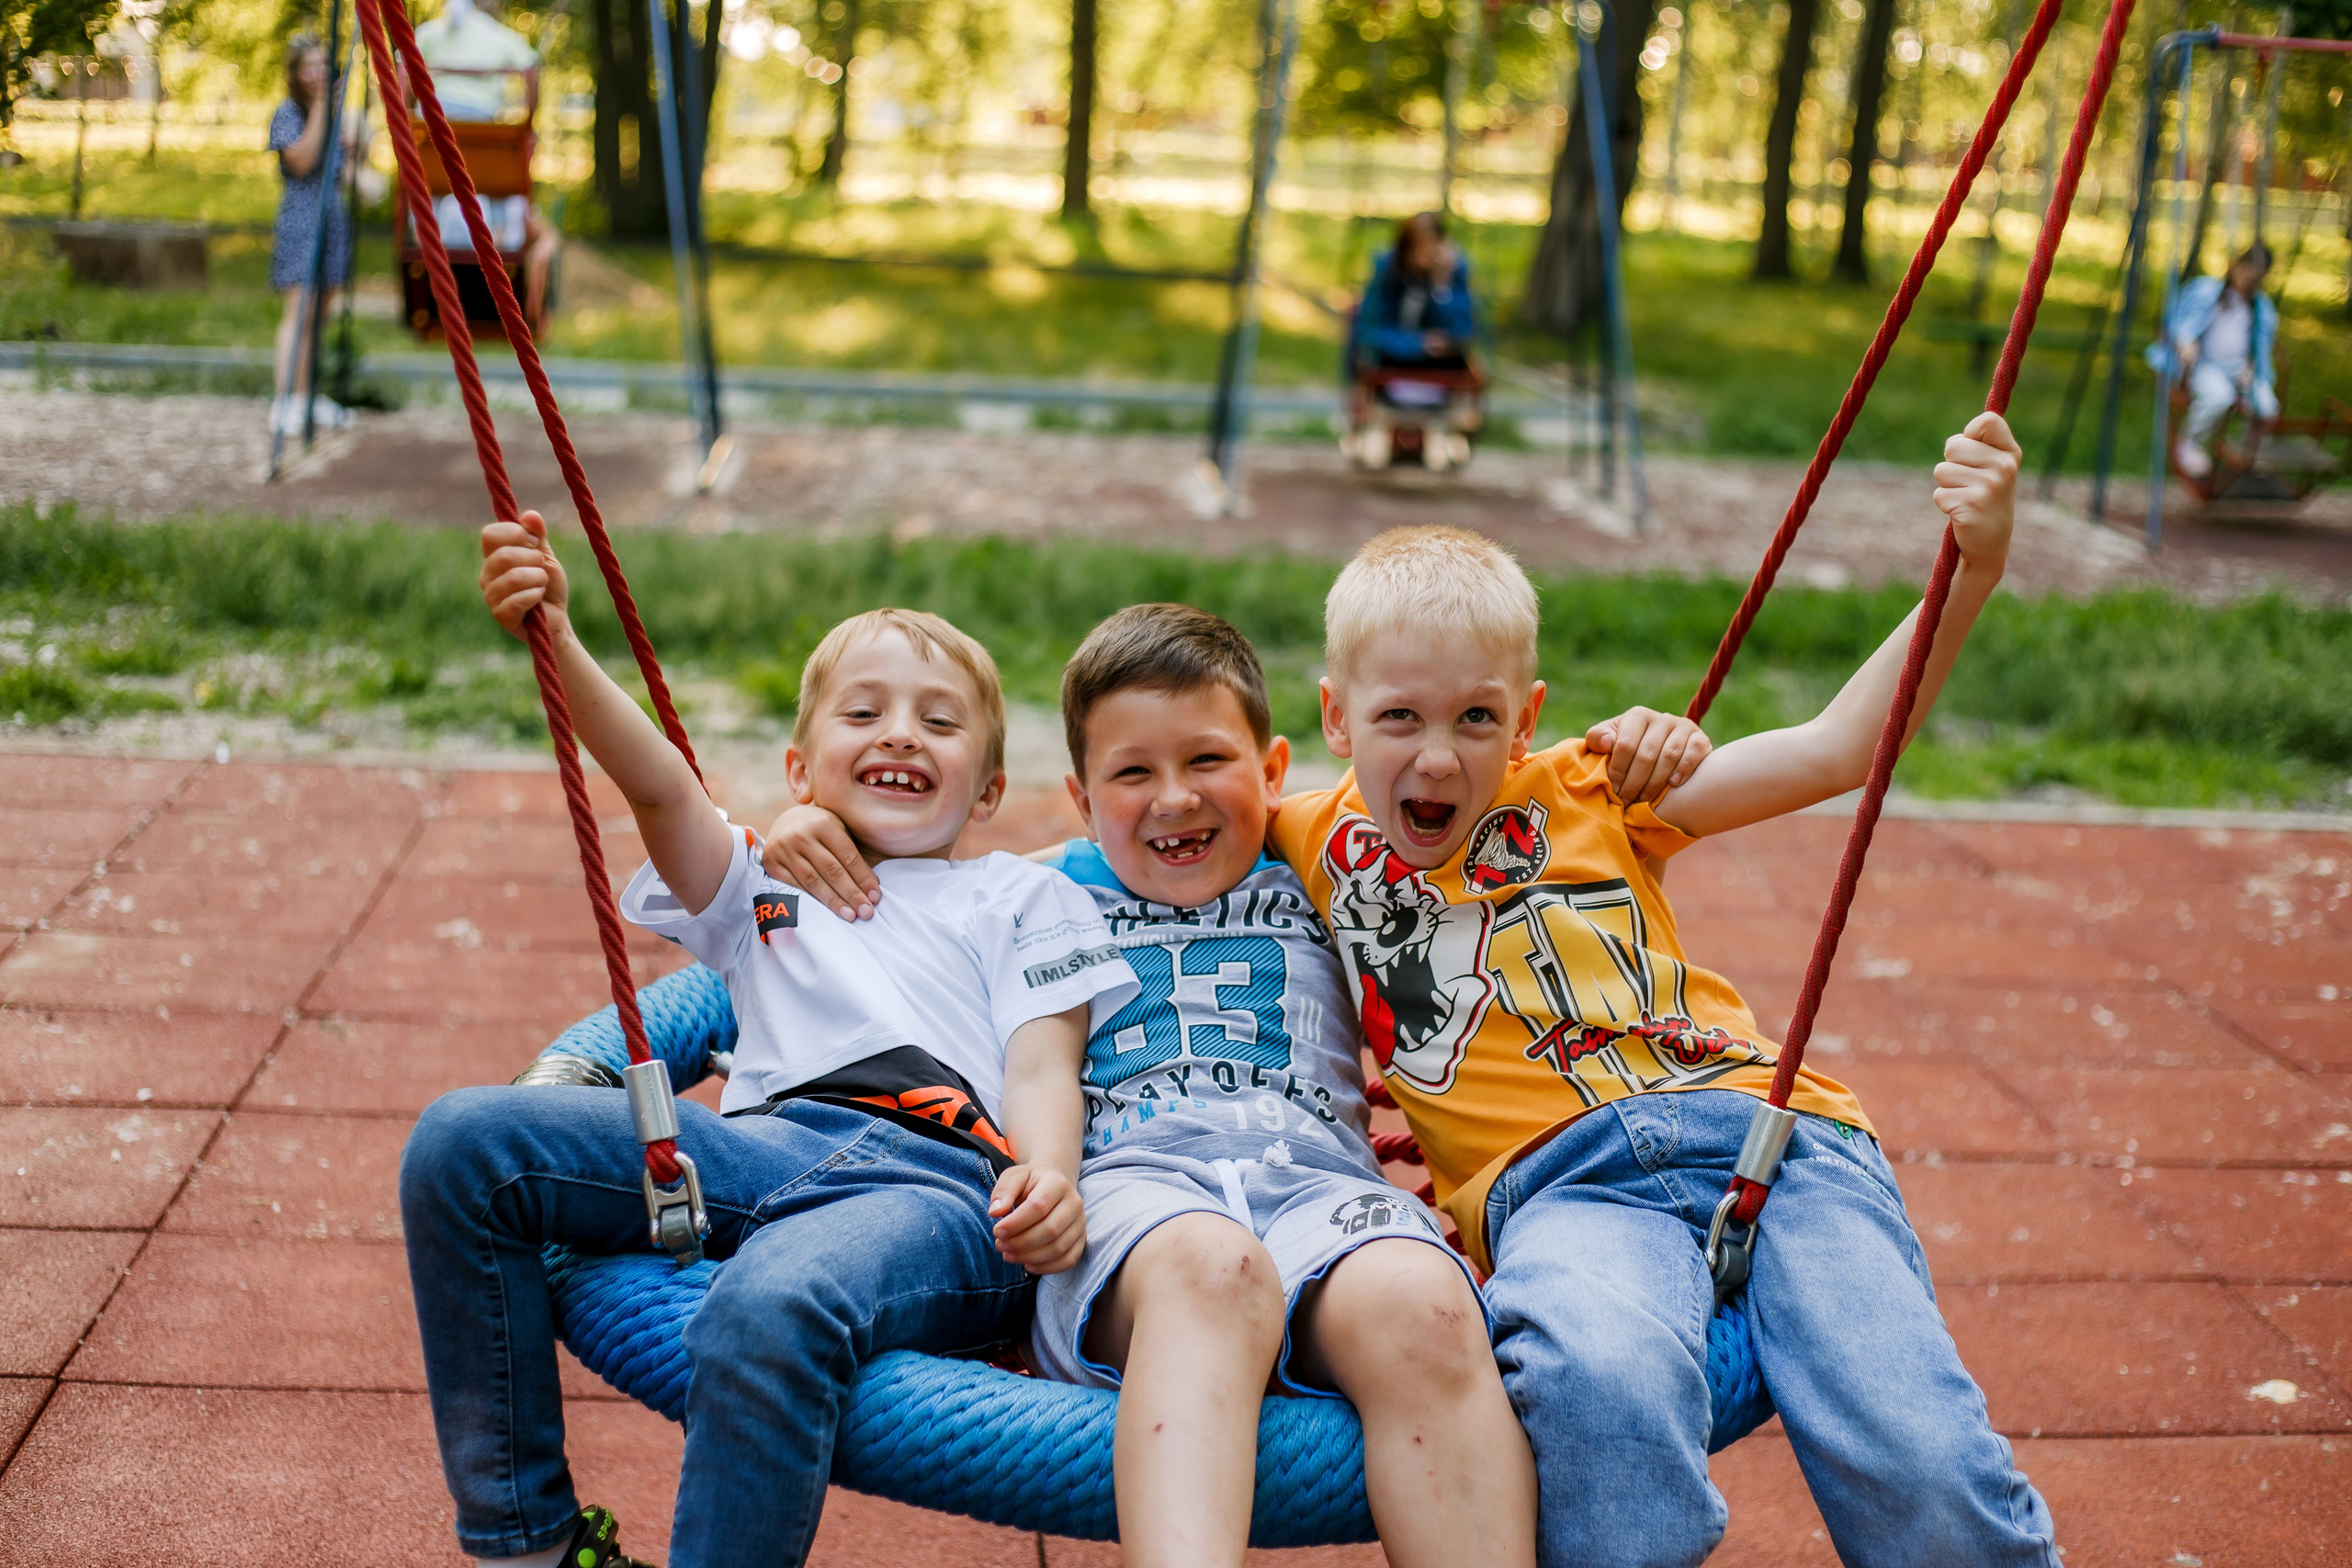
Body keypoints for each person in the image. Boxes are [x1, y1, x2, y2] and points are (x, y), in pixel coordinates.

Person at [1264, 416, 2061, 1566]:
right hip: (1564, 1192)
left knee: (1914, 1448)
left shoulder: (1596, 786)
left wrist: (1972, 566)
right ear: (1338, 718)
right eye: (1399, 718)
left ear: (1526, 716)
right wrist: (905, 848)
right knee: (1598, 1382)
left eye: (1476, 717)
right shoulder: (1300, 834)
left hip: (1771, 1142)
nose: (1438, 757)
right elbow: (1132, 825)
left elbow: (1839, 748)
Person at [763, 613, 1710, 1568]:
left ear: (1271, 770)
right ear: (1081, 801)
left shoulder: (1336, 874)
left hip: (1323, 1193)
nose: (1173, 799)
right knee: (1214, 1272)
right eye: (1131, 774)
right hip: (1138, 1203)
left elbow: (1477, 797)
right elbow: (904, 876)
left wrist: (1630, 749)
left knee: (1425, 1309)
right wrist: (811, 825)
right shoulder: (1032, 898)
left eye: (1207, 760)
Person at [406, 513, 1139, 1568]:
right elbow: (659, 788)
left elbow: (1042, 1061)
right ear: (801, 766)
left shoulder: (1016, 893)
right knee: (462, 1146)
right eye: (865, 711)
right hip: (762, 1149)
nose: (899, 733)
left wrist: (1052, 1179)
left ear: (985, 790)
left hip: (935, 1188)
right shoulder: (760, 881)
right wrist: (559, 640)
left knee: (769, 1302)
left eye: (939, 721)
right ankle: (527, 1538)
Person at [411, 0, 563, 324]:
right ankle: (493, 233)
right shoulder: (500, 37)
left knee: (436, 181)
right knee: (489, 177)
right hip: (481, 127)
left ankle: (432, 231)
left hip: (432, 122)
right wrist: (528, 125)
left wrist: (406, 121)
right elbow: (530, 72)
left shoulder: (432, 32)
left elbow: (403, 66)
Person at [266, 34, 362, 435]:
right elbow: (303, 162)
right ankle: (285, 400)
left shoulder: (341, 117)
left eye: (323, 64)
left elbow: (347, 168)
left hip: (333, 218)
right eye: (309, 65)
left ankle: (309, 396)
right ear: (295, 72)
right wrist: (324, 106)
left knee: (320, 315)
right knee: (299, 312)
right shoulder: (288, 114)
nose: (318, 73)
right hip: (302, 219)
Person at [1346, 212, 1484, 468]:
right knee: (1362, 353)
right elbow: (1370, 329)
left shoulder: (1455, 273)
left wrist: (1442, 285)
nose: (1426, 255)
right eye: (1420, 248)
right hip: (1394, 358)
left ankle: (1446, 437)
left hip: (1440, 363)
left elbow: (1464, 330)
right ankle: (1378, 434)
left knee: (1471, 366)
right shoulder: (1387, 273)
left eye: (1433, 247)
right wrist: (1417, 343)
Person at [2153, 244, 2279, 480]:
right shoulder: (2206, 291)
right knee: (2219, 397)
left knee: (2267, 406)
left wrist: (2252, 368)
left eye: (2254, 280)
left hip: (2239, 368)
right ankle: (2188, 444)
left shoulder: (2260, 307)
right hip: (2205, 365)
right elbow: (2179, 322)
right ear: (2236, 267)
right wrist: (2185, 342)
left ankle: (2247, 453)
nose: (2246, 282)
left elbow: (2262, 344)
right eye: (2244, 274)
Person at [413, 0, 538, 120]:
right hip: (480, 111)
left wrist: (408, 108)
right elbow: (531, 69)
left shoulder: (431, 30)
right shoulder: (500, 34)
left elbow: (405, 65)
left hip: (433, 107)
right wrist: (529, 119)